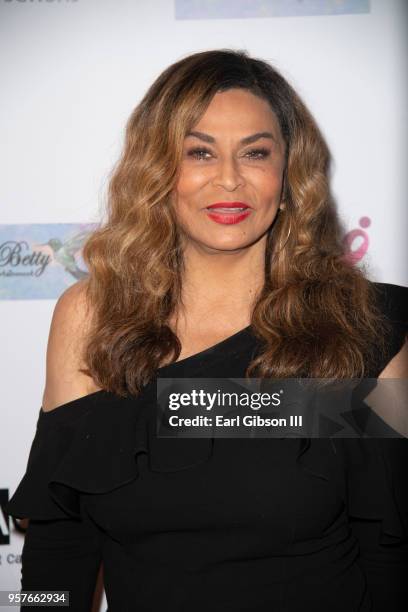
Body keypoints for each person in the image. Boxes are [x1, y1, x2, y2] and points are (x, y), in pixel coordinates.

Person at [5, 49, 408, 611]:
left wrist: (195, 410)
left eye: (256, 153)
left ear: (289, 174)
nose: (228, 179)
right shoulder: (94, 317)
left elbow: (388, 546)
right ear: (158, 171)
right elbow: (58, 542)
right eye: (199, 152)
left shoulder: (362, 325)